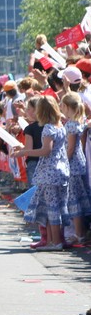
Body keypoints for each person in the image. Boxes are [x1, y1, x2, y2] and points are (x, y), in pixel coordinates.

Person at [12, 96, 69, 252]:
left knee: (52, 209)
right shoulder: (60, 126)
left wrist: (24, 152)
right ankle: (52, 240)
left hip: (50, 172)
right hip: (60, 170)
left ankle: (55, 242)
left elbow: (46, 150)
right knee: (53, 208)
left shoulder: (48, 128)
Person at [59, 93, 90, 245]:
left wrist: (63, 163)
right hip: (79, 163)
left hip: (72, 165)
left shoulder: (71, 124)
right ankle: (81, 231)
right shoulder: (78, 121)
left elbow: (70, 148)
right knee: (78, 197)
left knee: (74, 199)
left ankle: (79, 233)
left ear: (66, 106)